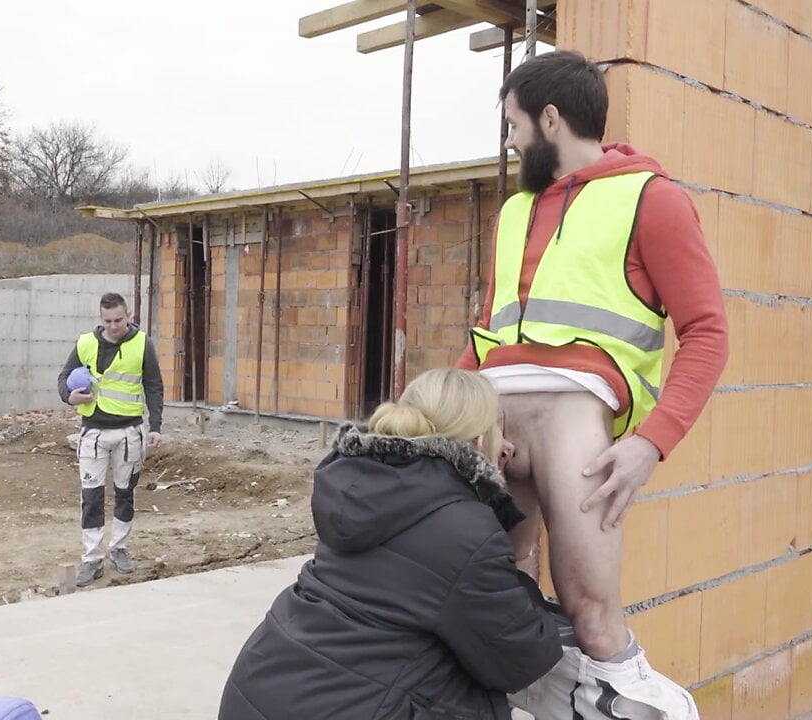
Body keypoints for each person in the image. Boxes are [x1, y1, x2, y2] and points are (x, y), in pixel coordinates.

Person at [456, 51, 726, 718]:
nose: (510, 141)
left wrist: (650, 444)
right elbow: (487, 332)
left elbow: (707, 333)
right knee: (489, 604)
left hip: (571, 423)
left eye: (514, 125)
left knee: (593, 614)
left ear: (550, 119)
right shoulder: (513, 212)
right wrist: (439, 414)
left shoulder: (652, 199)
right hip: (492, 421)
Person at [218, 368, 562, 720]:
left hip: (258, 691)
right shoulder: (464, 529)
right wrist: (515, 519)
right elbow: (522, 658)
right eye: (499, 429)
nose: (507, 446)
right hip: (334, 709)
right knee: (476, 690)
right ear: (478, 442)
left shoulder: (359, 484)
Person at [57, 292, 165, 585]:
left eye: (119, 320)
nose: (114, 326)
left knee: (125, 492)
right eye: (108, 321)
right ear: (100, 319)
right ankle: (92, 558)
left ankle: (119, 548)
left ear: (128, 316)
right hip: (93, 430)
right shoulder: (85, 343)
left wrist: (155, 426)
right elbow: (63, 377)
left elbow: (154, 386)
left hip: (130, 431)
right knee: (91, 496)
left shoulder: (142, 344)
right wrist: (69, 396)